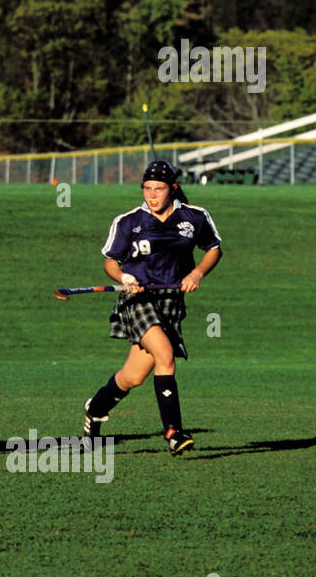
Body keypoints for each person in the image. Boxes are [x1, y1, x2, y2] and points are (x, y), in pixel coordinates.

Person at [78, 160, 223, 455]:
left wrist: (197, 274)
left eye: (158, 189)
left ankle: (95, 409)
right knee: (165, 355)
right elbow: (110, 262)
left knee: (133, 376)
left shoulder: (195, 217)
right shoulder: (129, 222)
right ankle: (173, 432)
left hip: (170, 301)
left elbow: (213, 249)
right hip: (138, 300)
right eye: (147, 189)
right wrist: (123, 277)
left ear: (173, 189)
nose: (152, 195)